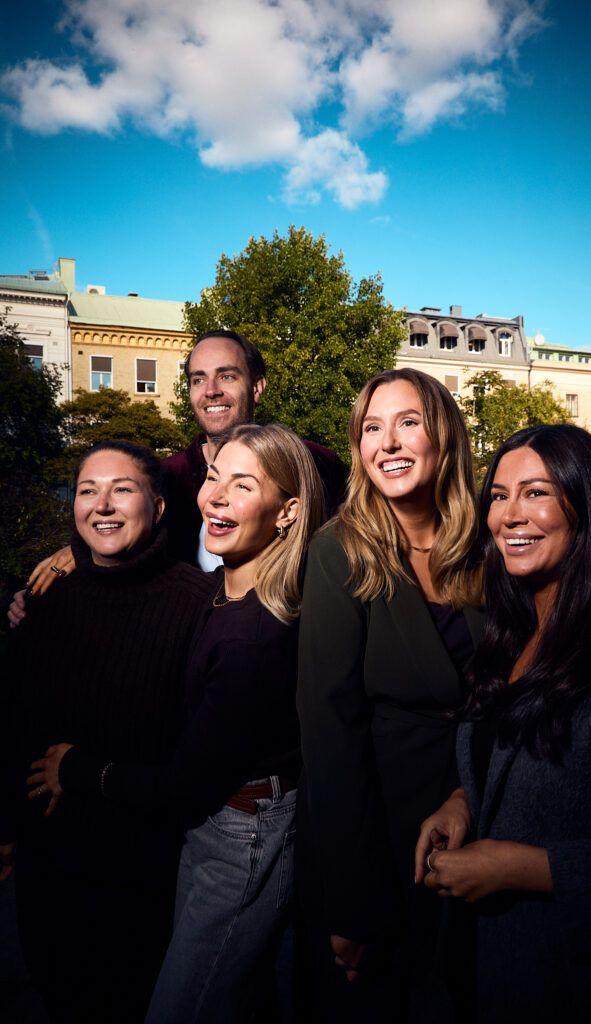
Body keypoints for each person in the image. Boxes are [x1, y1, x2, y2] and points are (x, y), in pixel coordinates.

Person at [27, 423, 325, 1024]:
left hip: (243, 833)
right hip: (211, 829)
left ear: (288, 511)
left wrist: (76, 769)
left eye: (243, 485)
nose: (215, 496)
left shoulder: (255, 636)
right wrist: (77, 556)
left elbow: (185, 785)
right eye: (215, 477)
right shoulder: (219, 590)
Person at [416, 424, 591, 1024]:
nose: (510, 515)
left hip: (578, 987)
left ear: (584, 507)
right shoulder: (508, 636)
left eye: (536, 492)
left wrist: (518, 867)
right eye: (499, 495)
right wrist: (463, 800)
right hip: (490, 976)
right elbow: (516, 755)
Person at [0, 442, 213, 1023]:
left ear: (159, 507)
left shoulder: (201, 605)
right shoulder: (43, 601)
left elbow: (199, 761)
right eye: (88, 490)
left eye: (122, 488)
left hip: (147, 877)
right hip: (51, 874)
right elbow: (15, 722)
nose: (103, 504)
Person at [295, 368, 484, 1022]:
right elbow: (327, 730)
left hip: (483, 813)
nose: (388, 442)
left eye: (408, 422)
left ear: (443, 438)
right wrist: (355, 901)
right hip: (379, 832)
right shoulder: (338, 551)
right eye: (371, 428)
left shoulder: (486, 545)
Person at [10, 329, 346, 605]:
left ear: (256, 387)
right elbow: (119, 531)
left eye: (226, 376)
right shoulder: (166, 477)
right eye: (198, 380)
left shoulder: (312, 464)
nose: (211, 391)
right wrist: (81, 552)